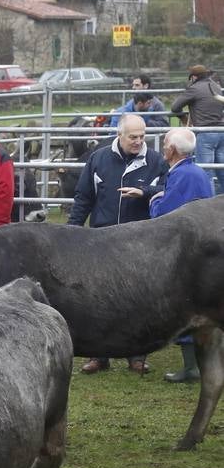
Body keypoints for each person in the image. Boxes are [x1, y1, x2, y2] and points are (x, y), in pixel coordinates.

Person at [67, 113, 165, 375]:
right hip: (102, 239)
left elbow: (168, 188)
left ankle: (137, 355)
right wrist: (72, 230)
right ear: (119, 134)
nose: (138, 141)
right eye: (133, 136)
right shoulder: (98, 158)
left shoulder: (155, 161)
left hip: (140, 240)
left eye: (142, 136)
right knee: (98, 297)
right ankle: (100, 355)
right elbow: (84, 196)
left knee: (139, 299)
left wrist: (145, 193)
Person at [149, 127, 215, 383]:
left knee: (188, 304)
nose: (163, 147)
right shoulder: (197, 172)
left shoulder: (182, 175)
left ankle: (191, 368)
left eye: (165, 142)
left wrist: (154, 200)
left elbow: (166, 215)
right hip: (204, 249)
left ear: (172, 150)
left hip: (187, 252)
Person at [170, 65, 224, 194]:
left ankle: (208, 205)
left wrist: (183, 119)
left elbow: (175, 107)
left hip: (205, 132)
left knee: (205, 172)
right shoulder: (216, 86)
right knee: (222, 170)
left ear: (194, 77)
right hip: (221, 131)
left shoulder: (194, 89)